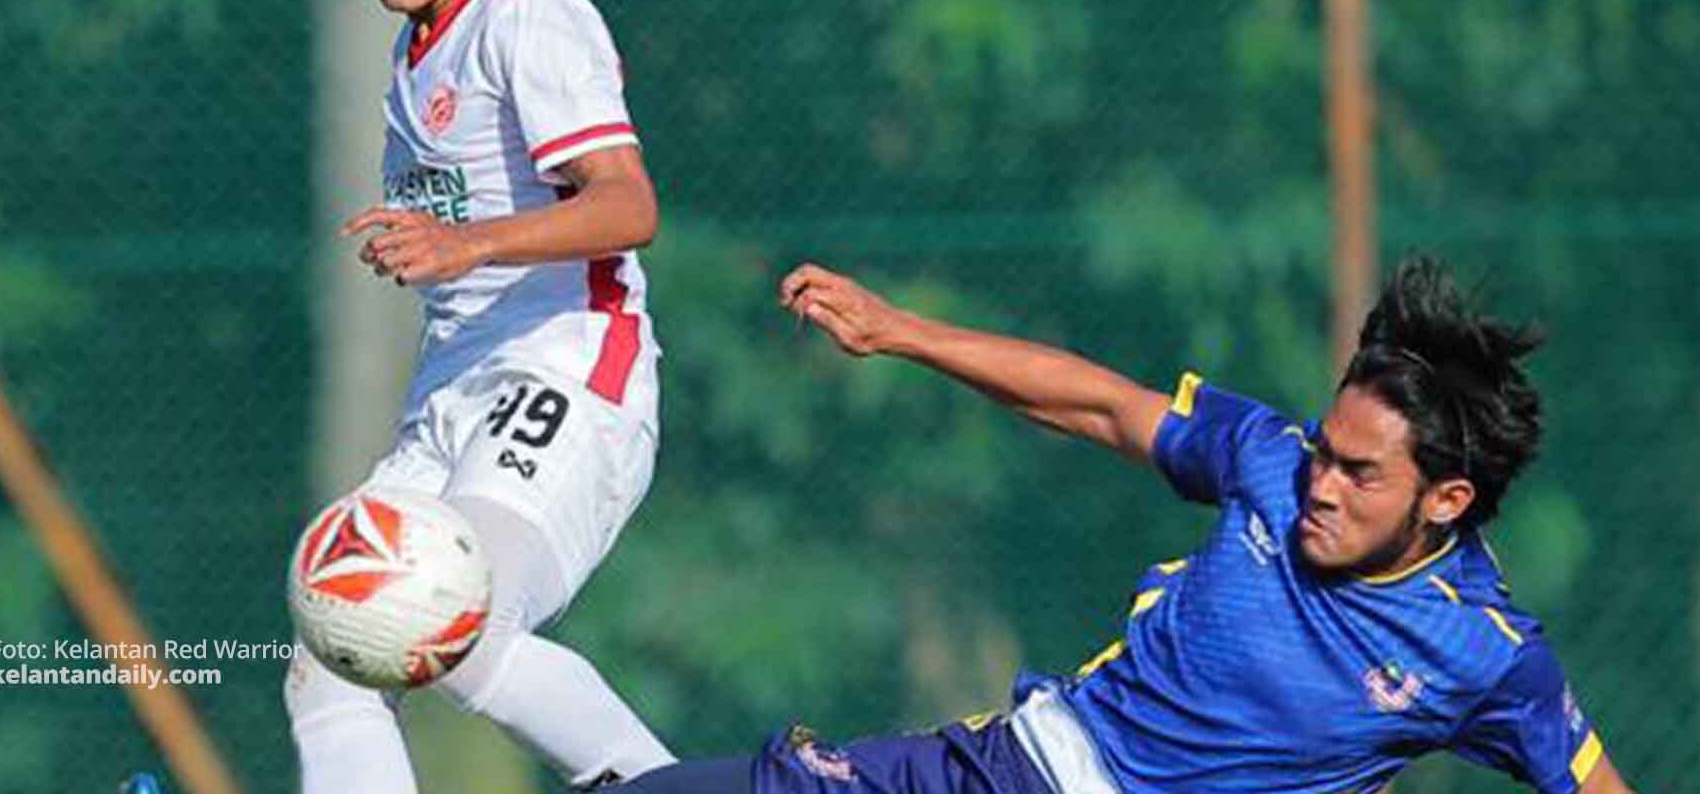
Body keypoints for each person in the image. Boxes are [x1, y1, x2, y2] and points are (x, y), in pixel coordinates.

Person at [612, 256, 1634, 794]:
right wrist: (900, 332)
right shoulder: (1271, 462)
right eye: (1326, 450)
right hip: (1006, 769)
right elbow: (1103, 406)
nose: (1322, 484)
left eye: (1360, 473)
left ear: (1445, 501)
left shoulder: (1485, 652)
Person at [283, 0, 675, 793]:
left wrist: (468, 243)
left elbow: (628, 203)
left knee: (452, 624)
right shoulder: (422, 40)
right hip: (457, 394)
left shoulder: (527, 16)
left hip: (569, 371)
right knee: (330, 657)